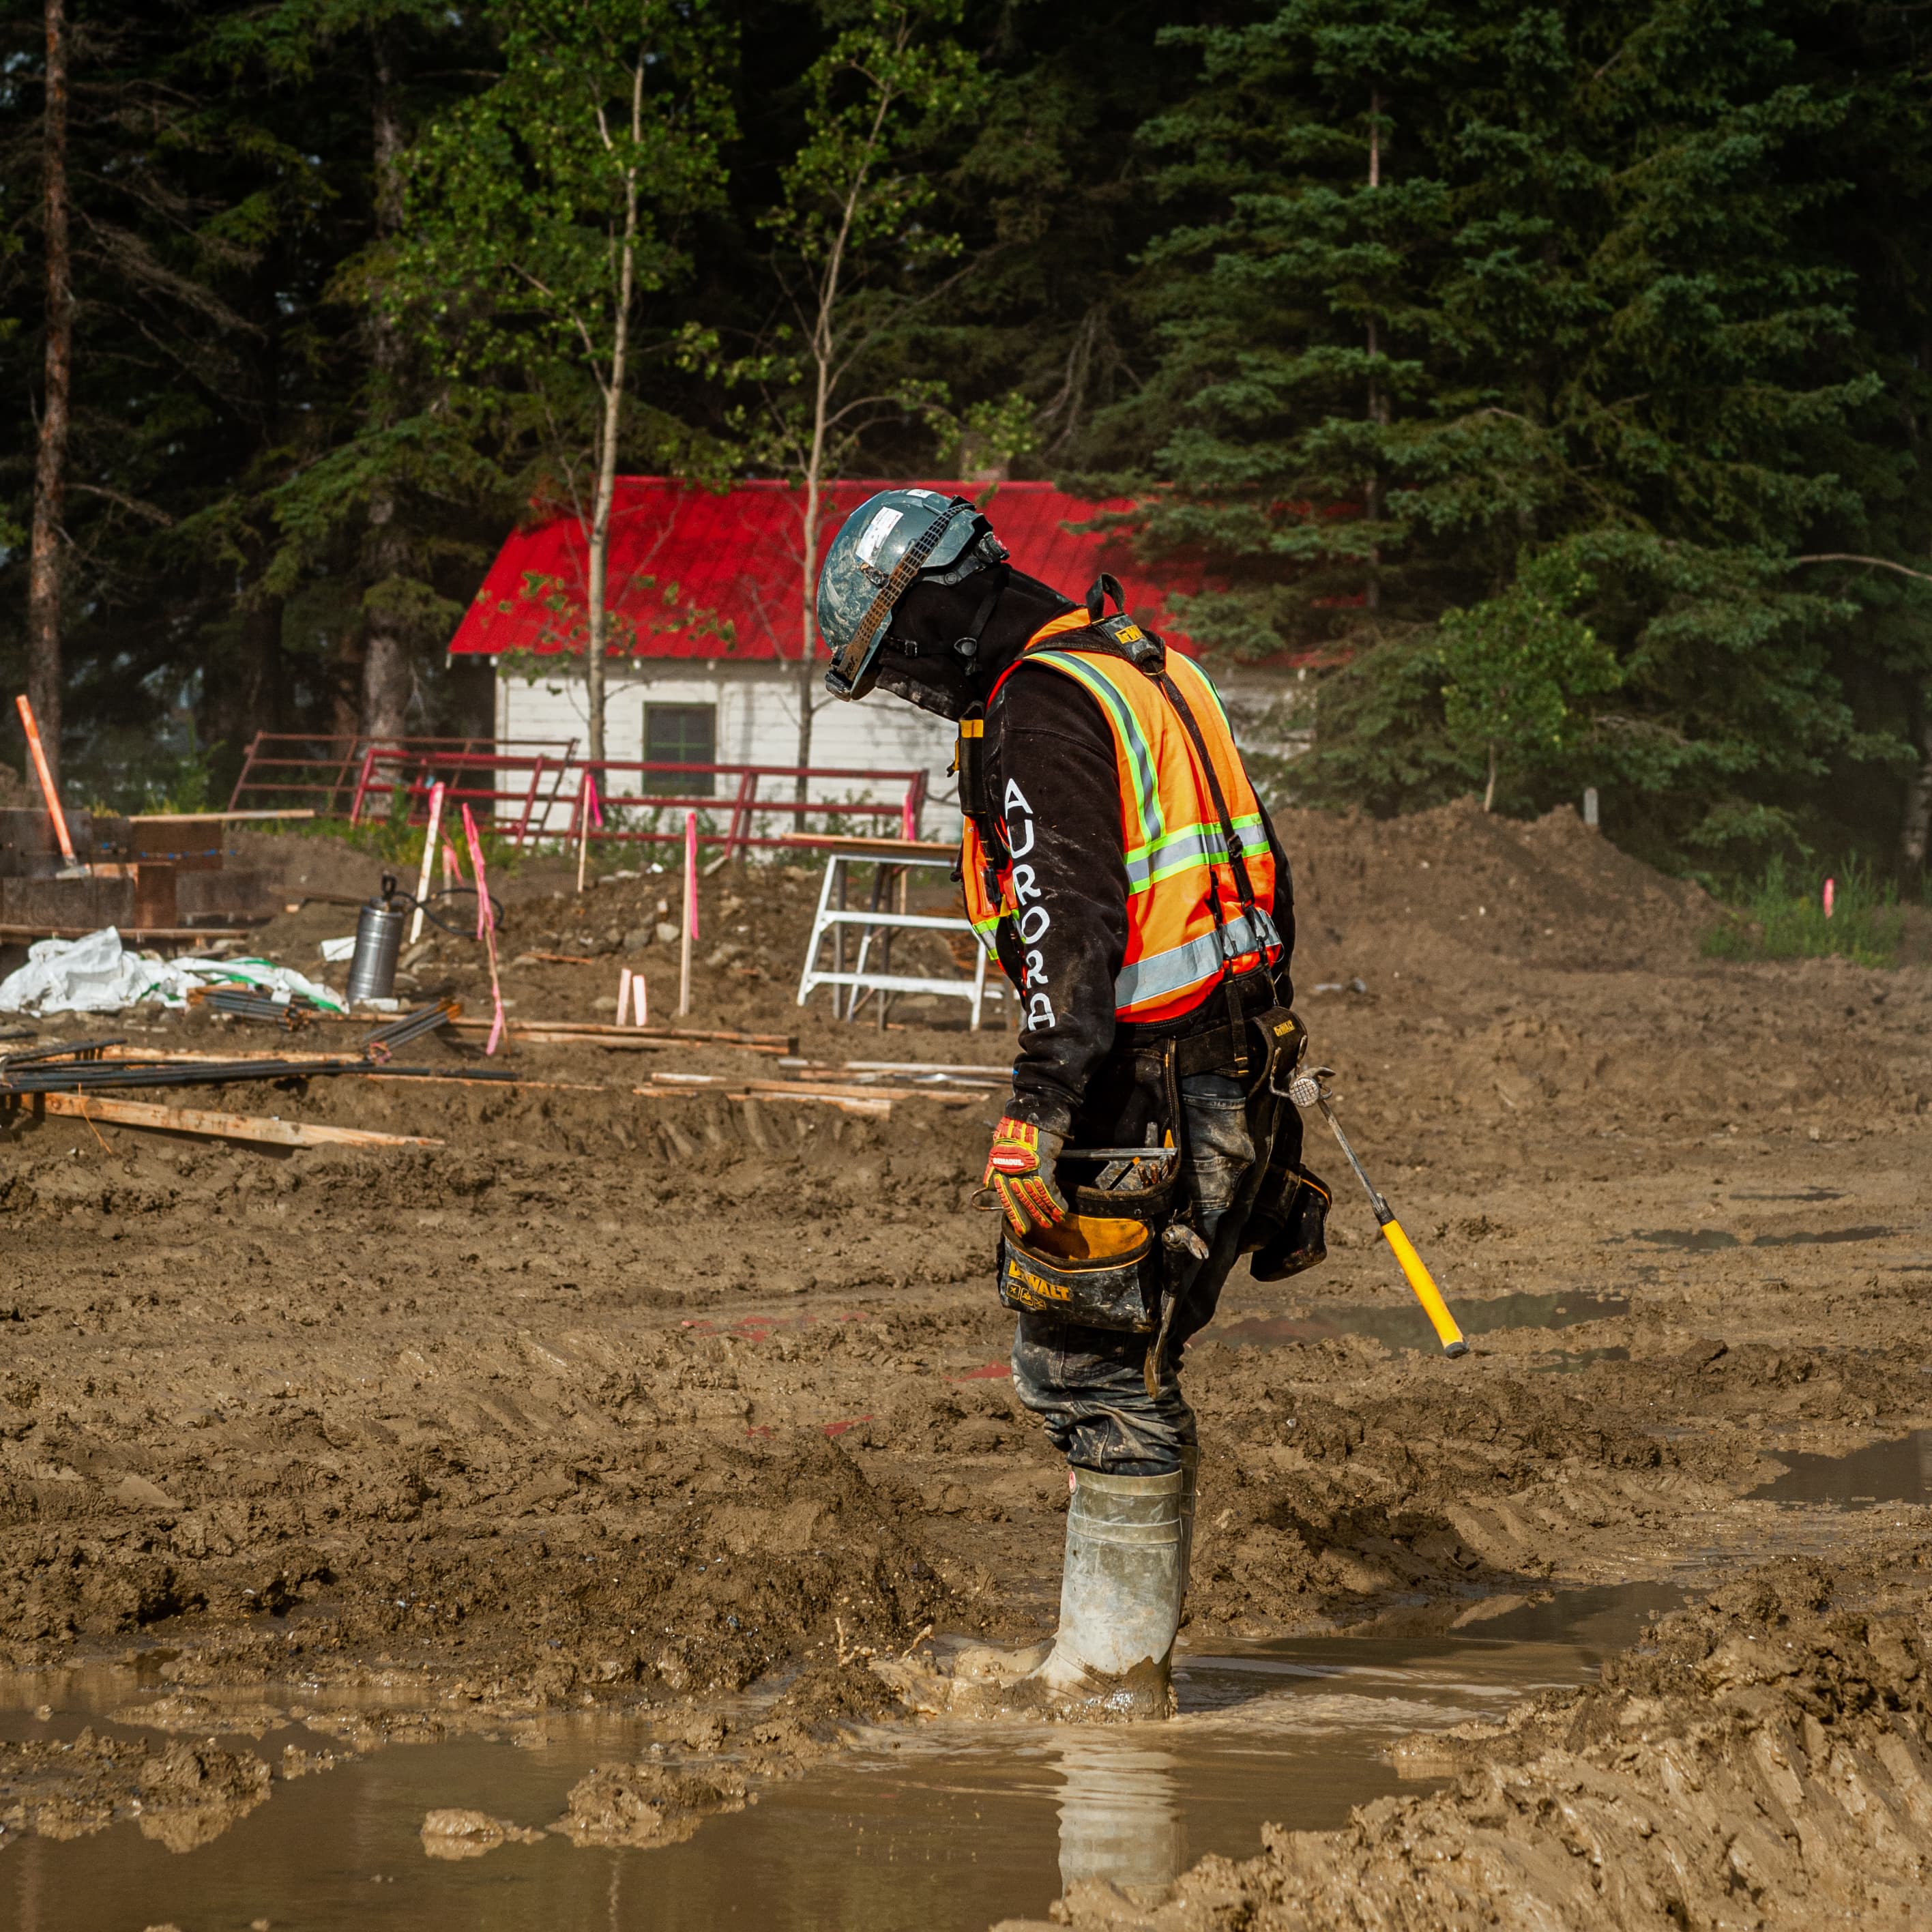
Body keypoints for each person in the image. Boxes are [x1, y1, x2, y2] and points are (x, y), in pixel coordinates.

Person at [816, 488, 1300, 1719]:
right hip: (1230, 1064)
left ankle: (1109, 1684)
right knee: (1120, 1351)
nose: (920, 695)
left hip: (1135, 1087)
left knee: (1091, 1366)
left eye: (907, 666)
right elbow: (1260, 873)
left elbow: (1068, 921)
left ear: (937, 610)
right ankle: (1105, 1666)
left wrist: (1039, 1101)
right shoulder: (1147, 667)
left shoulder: (1037, 706)